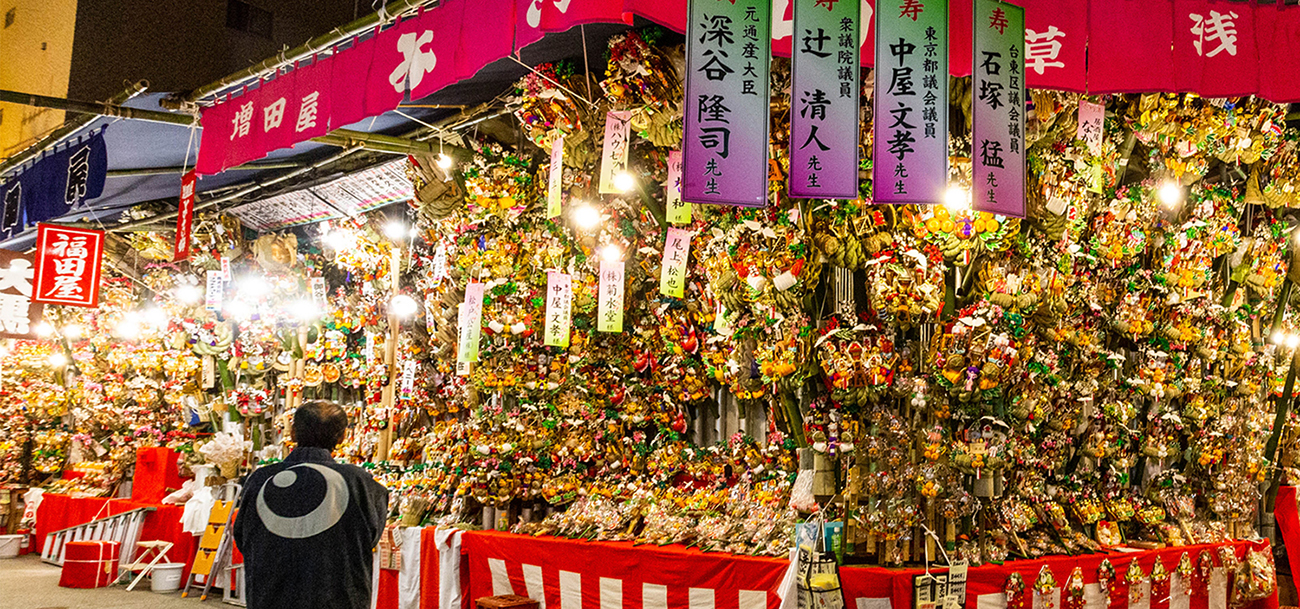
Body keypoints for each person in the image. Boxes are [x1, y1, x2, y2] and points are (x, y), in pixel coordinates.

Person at [233, 400, 389, 609]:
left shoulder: (261, 479)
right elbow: (371, 536)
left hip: (272, 595)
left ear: (294, 433)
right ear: (343, 436)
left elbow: (243, 536)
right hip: (338, 597)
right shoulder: (360, 482)